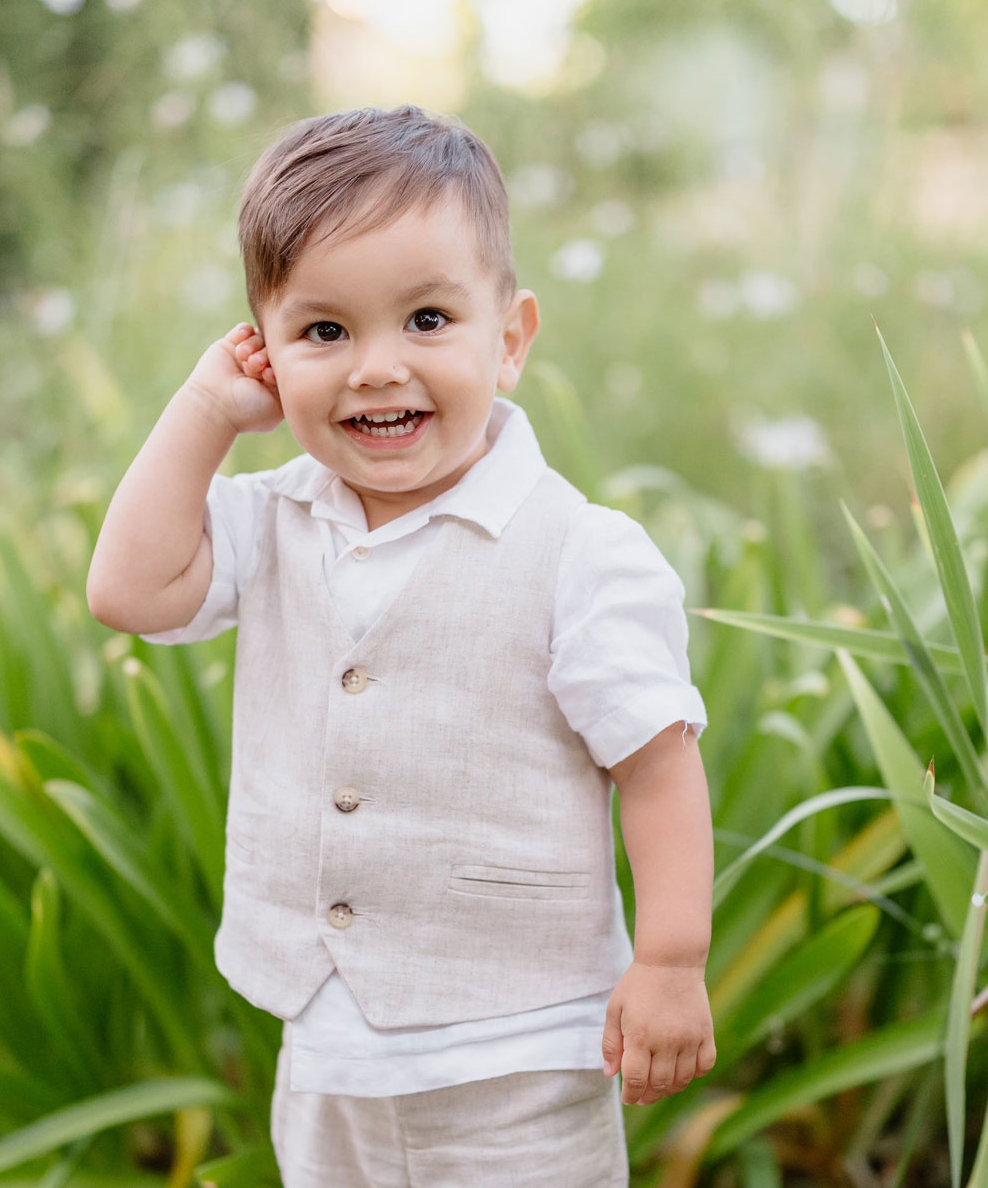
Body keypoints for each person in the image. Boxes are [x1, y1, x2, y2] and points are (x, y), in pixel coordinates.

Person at [87, 103, 715, 1187]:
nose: (377, 368)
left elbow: (656, 763)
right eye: (324, 333)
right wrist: (202, 409)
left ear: (509, 339)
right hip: (325, 1040)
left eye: (427, 319)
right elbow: (128, 591)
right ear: (267, 357)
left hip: (516, 1058)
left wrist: (669, 960)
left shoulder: (580, 553)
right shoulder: (276, 515)